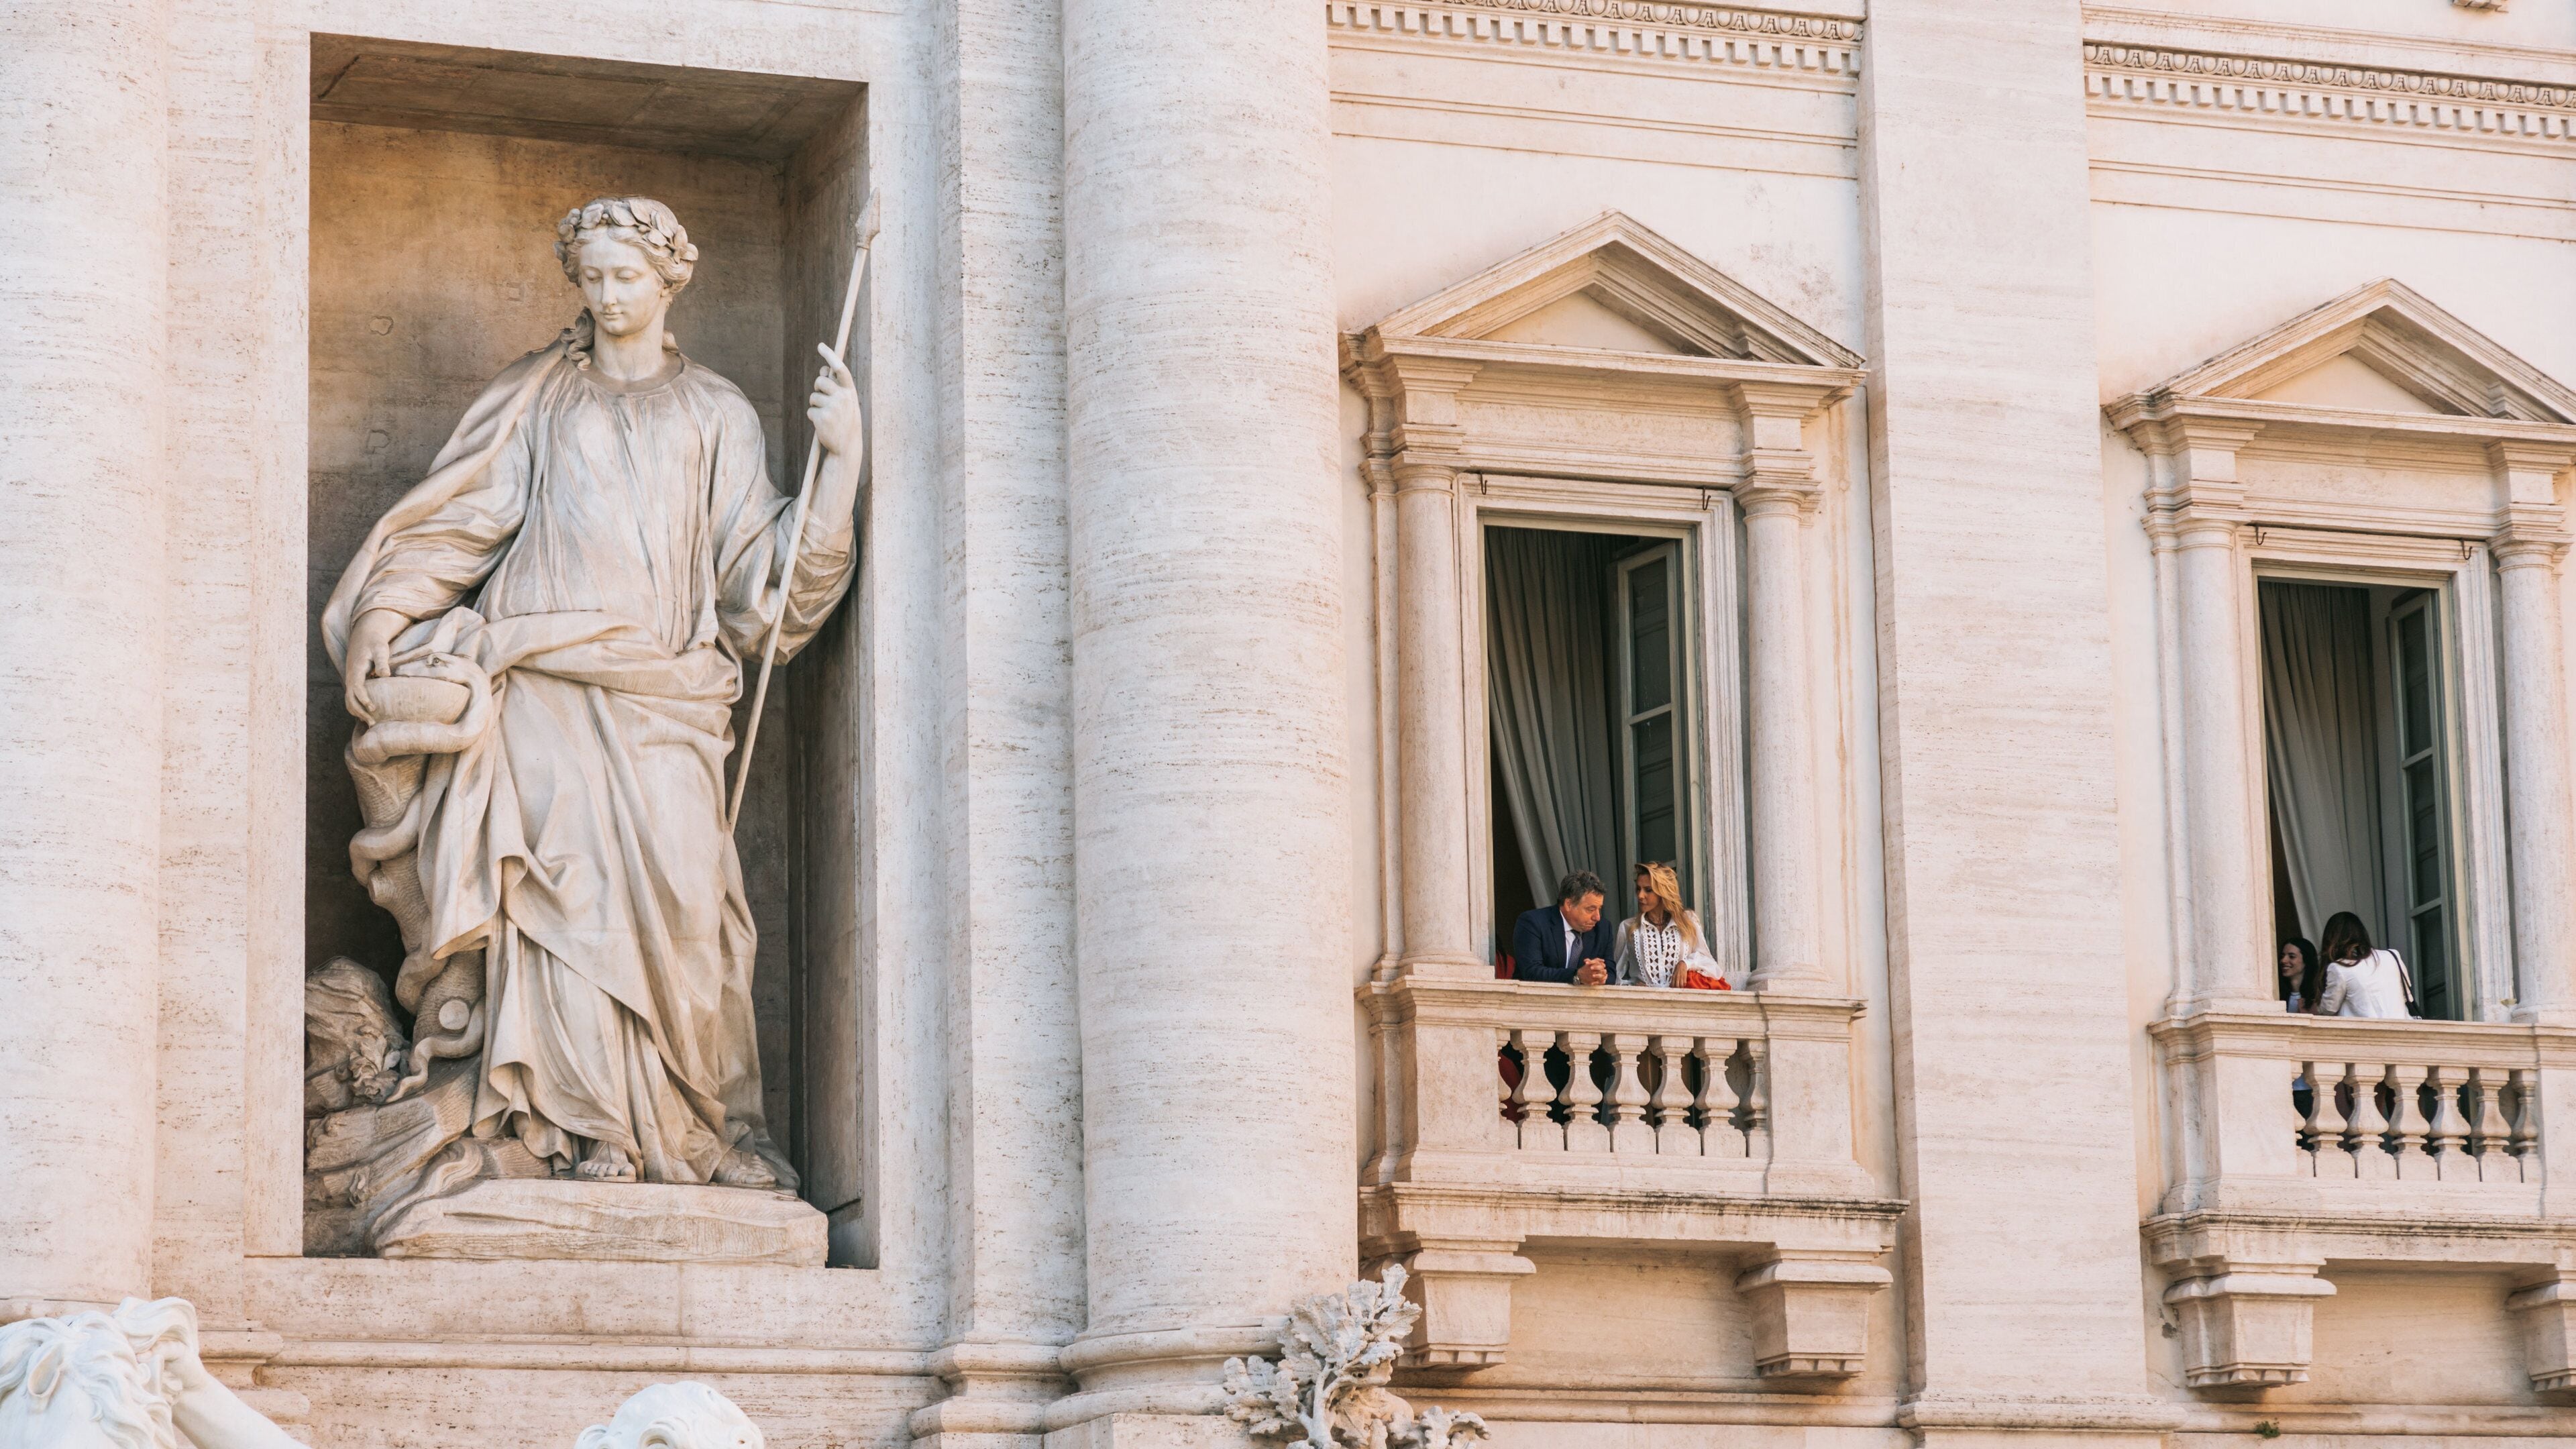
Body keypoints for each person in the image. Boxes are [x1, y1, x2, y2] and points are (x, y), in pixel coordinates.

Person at [323, 197, 866, 1188]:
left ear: (669, 282)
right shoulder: (536, 397)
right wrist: (381, 613)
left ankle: (692, 1125)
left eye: (629, 278)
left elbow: (766, 590)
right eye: (594, 278)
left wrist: (840, 465)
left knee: (689, 913)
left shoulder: (717, 413)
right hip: (541, 685)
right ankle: (573, 1129)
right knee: (556, 903)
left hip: (666, 696)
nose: (610, 296)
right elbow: (460, 525)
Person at [1613, 861, 1723, 988]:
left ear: (1663, 892)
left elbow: (1712, 967)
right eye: (1638, 889)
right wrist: (1633, 987)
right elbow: (1615, 977)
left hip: (1682, 1004)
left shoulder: (1688, 921)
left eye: (1648, 890)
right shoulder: (1627, 927)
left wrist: (1686, 964)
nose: (1640, 895)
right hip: (1645, 1005)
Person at [1511, 870, 1615, 985]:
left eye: (1599, 909)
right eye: (1591, 909)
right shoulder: (1533, 923)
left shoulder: (1603, 929)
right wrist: (1577, 976)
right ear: (1569, 904)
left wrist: (1599, 975)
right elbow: (1532, 972)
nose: (1597, 917)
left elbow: (1612, 975)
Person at [2315, 912, 2412, 1018]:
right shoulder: (2392, 956)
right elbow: (2406, 996)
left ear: (2331, 939)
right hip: (2402, 1029)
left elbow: (2329, 1009)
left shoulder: (2339, 968)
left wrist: (2316, 1007)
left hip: (2366, 1032)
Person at [2278, 936, 2321, 1014]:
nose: (2283, 960)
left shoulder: (2318, 996)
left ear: (2306, 960)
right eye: (2282, 956)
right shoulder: (2277, 994)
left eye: (2292, 956)